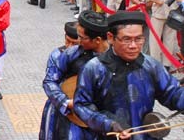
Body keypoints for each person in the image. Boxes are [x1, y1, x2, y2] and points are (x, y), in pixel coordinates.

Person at [73, 11, 184, 139]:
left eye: (139, 39)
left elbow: (172, 92)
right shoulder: (94, 68)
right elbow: (81, 105)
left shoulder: (151, 65)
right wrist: (109, 124)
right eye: (126, 39)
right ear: (110, 37)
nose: (133, 46)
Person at [39, 11, 109, 139]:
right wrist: (65, 102)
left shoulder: (114, 59)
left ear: (98, 40)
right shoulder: (71, 54)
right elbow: (49, 81)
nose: (79, 41)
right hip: (70, 118)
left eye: (82, 38)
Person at [38, 21, 79, 140]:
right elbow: (49, 82)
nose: (70, 46)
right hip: (58, 103)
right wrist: (65, 102)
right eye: (67, 41)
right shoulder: (56, 55)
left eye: (74, 43)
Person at [143, 0, 182, 68]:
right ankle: (167, 64)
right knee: (169, 39)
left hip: (159, 14)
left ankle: (155, 62)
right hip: (173, 14)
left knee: (155, 39)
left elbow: (159, 1)